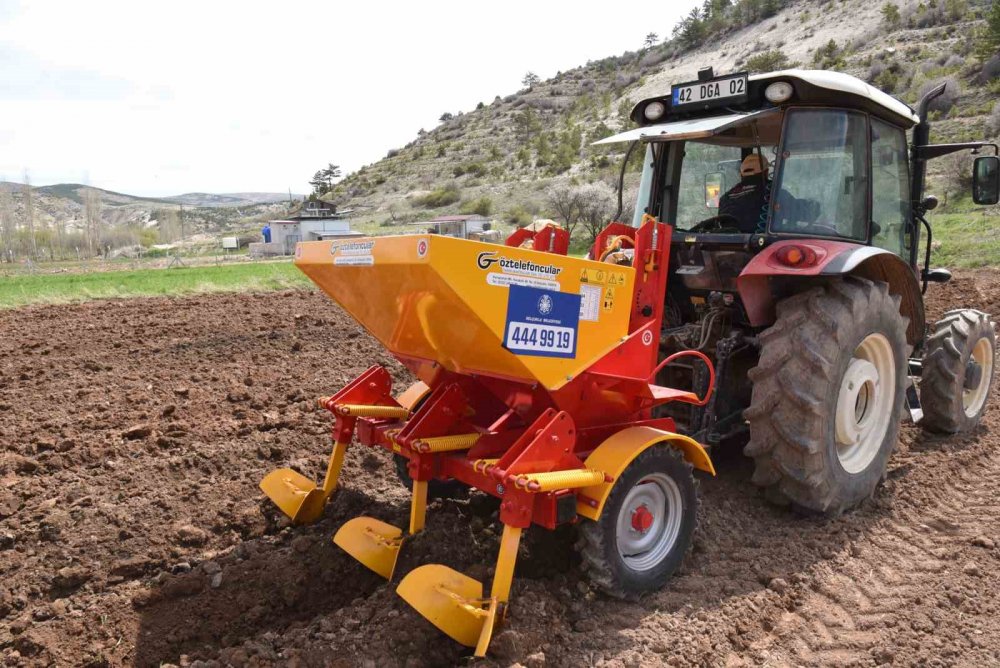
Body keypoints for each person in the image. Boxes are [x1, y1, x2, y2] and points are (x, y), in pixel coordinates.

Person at [718, 153, 770, 233]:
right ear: (766, 171)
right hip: (763, 242)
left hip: (729, 243)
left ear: (741, 174)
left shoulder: (725, 198)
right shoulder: (773, 191)